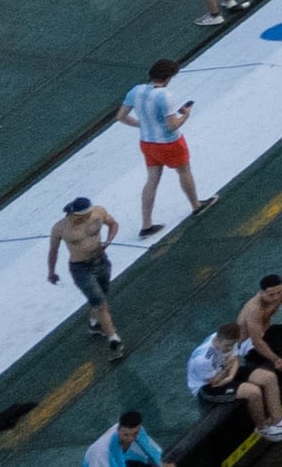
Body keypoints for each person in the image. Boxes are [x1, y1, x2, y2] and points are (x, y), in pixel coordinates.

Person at [123, 60, 200, 234]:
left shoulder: (136, 90)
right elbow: (172, 125)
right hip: (169, 142)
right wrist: (186, 115)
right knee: (184, 171)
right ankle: (195, 204)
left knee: (151, 180)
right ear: (167, 78)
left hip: (147, 142)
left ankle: (146, 224)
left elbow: (121, 116)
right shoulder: (164, 96)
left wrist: (142, 125)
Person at [49, 194, 125, 348]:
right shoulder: (60, 228)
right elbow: (53, 251)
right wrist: (52, 272)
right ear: (73, 214)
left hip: (101, 261)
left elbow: (113, 224)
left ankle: (94, 322)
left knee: (101, 294)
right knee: (100, 302)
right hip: (80, 268)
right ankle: (113, 338)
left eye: (87, 215)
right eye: (82, 216)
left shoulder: (98, 212)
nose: (86, 218)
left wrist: (108, 241)